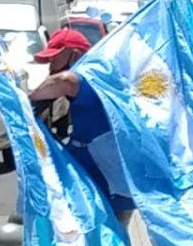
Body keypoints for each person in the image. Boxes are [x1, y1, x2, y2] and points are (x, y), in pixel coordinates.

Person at [28, 29, 135, 227]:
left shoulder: (90, 75)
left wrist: (28, 97)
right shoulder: (98, 73)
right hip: (98, 174)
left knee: (110, 239)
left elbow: (65, 81)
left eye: (55, 58)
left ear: (74, 54)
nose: (51, 65)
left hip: (106, 177)